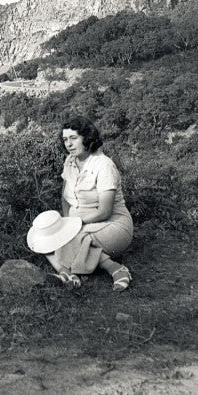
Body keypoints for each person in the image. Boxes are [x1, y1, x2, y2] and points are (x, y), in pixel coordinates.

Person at [27, 116, 135, 291]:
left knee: (70, 238)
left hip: (112, 225)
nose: (68, 144)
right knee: (44, 234)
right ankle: (67, 274)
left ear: (87, 137)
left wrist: (72, 226)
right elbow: (65, 198)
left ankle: (113, 268)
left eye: (73, 138)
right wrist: (65, 224)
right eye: (65, 139)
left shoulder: (103, 165)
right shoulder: (69, 161)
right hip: (79, 224)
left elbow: (105, 212)